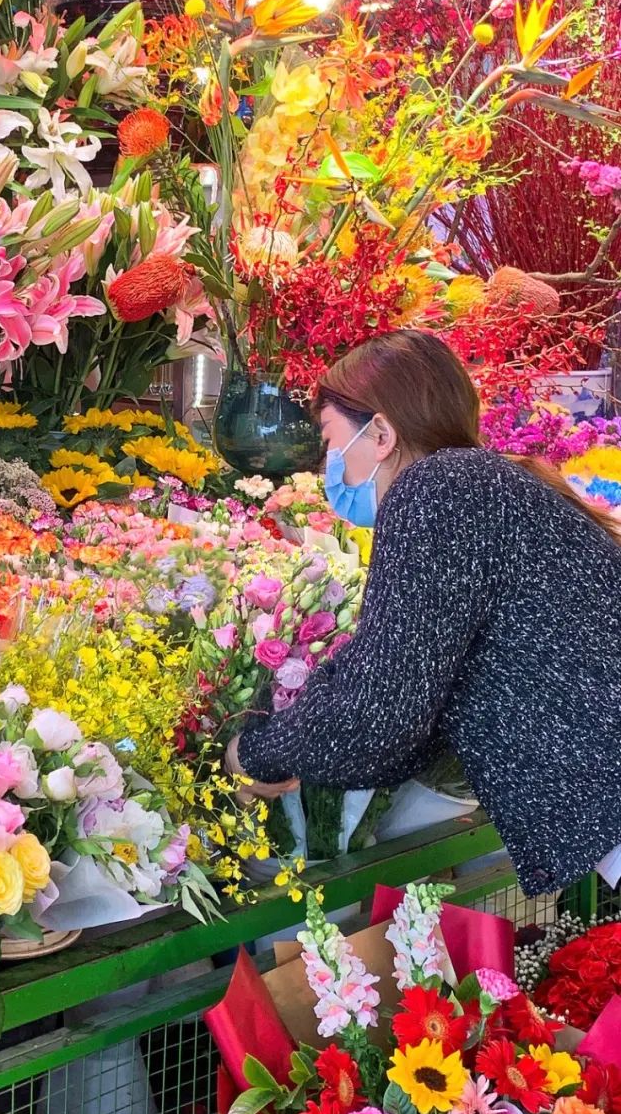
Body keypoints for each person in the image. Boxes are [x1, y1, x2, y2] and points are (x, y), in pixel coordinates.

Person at [227, 329, 621, 897]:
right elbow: (404, 682)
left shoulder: (437, 490)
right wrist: (300, 734)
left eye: (331, 439)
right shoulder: (476, 486)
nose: (326, 465)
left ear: (381, 432)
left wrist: (255, 752)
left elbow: (381, 711)